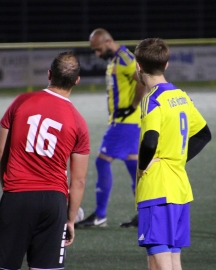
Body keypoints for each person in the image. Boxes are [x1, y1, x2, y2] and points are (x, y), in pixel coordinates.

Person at [0, 52, 90, 270]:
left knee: (1, 267)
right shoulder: (78, 121)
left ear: (49, 74)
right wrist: (70, 220)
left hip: (17, 195)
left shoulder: (21, 101)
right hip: (54, 203)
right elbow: (78, 181)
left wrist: (7, 186)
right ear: (77, 81)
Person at [134, 38, 211, 270]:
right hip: (179, 188)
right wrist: (177, 158)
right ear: (166, 65)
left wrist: (142, 166)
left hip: (157, 188)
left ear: (138, 66)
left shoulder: (152, 99)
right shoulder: (181, 96)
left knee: (160, 259)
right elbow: (203, 134)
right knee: (168, 261)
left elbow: (150, 141)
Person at [76, 28, 146, 228]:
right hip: (129, 124)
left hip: (124, 124)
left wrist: (132, 106)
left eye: (98, 49)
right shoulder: (116, 59)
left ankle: (100, 216)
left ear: (108, 41)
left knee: (102, 162)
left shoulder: (124, 58)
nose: (97, 54)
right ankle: (144, 215)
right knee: (134, 168)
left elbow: (143, 79)